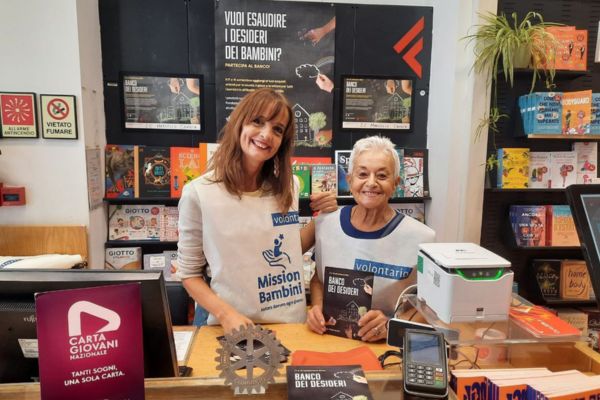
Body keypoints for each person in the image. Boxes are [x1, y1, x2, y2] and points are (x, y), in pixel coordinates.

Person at [177, 88, 336, 334]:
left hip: (287, 320)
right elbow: (189, 274)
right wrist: (226, 314)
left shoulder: (289, 186)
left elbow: (287, 249)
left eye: (277, 129)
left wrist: (325, 218)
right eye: (258, 122)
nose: (266, 134)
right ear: (239, 123)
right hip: (229, 325)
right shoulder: (198, 193)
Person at [306, 136, 435, 342]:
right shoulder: (326, 224)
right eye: (363, 174)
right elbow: (318, 280)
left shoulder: (423, 238)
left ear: (395, 184)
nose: (372, 183)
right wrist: (317, 307)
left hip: (386, 348)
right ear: (350, 181)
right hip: (329, 340)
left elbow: (431, 305)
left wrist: (393, 324)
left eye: (382, 175)